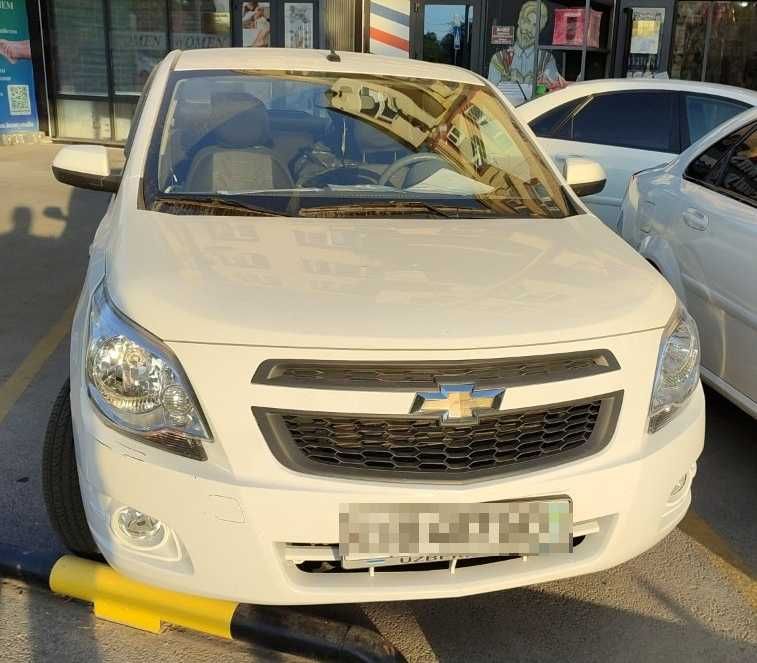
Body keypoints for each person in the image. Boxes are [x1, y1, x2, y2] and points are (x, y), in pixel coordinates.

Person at [488, 2, 565, 95]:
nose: (529, 29)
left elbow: (552, 94)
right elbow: (492, 96)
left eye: (535, 26)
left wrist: (543, 87)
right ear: (519, 21)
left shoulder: (547, 60)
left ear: (540, 31)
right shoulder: (498, 59)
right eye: (527, 21)